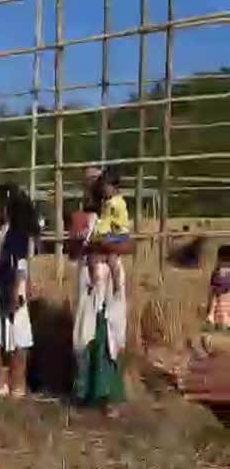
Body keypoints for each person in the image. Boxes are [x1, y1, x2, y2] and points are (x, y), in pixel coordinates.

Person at [72, 168, 129, 418]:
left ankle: (110, 398)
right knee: (84, 333)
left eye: (98, 182)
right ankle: (85, 393)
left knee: (111, 333)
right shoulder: (83, 216)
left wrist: (101, 245)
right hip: (89, 278)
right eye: (91, 183)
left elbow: (127, 243)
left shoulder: (115, 211)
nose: (96, 187)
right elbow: (73, 250)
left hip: (110, 277)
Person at [0, 185, 40, 398]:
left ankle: (12, 382)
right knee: (7, 335)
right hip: (6, 283)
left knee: (14, 335)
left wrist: (19, 287)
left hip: (10, 284)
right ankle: (9, 383)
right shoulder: (7, 231)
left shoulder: (15, 232)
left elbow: (21, 263)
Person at [87, 167, 130, 295]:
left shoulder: (117, 204)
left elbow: (116, 222)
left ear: (114, 188)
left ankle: (116, 285)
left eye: (106, 188)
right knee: (94, 258)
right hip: (109, 234)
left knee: (112, 259)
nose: (104, 191)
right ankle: (94, 282)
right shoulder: (107, 202)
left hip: (117, 234)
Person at [205, 245, 230, 330]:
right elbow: (212, 289)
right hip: (220, 299)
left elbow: (212, 289)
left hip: (224, 299)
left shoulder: (217, 272)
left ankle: (221, 321)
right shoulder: (216, 272)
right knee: (215, 302)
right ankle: (218, 320)